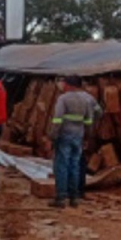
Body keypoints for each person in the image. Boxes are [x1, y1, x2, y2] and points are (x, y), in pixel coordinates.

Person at [47, 75, 98, 209]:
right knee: (75, 166)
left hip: (64, 136)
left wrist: (52, 136)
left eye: (63, 83)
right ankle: (74, 198)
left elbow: (57, 119)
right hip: (79, 136)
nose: (62, 85)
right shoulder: (85, 99)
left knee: (62, 166)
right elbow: (89, 120)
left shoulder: (63, 99)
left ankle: (61, 198)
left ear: (69, 85)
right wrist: (87, 137)